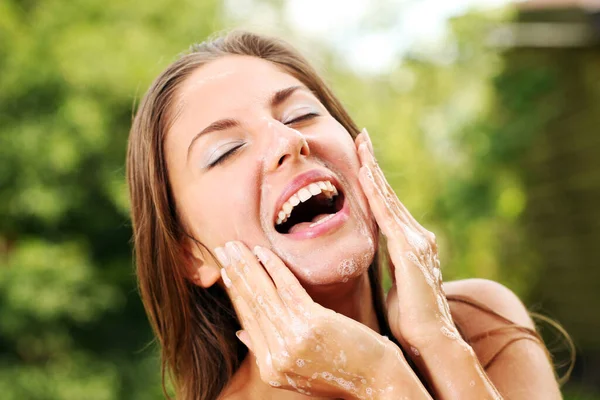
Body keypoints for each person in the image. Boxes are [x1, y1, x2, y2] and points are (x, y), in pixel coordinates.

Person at [126, 31, 563, 399]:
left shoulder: (480, 322)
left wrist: (439, 344)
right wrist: (377, 376)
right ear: (190, 256)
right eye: (226, 151)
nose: (288, 140)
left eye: (301, 114)